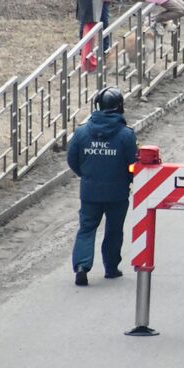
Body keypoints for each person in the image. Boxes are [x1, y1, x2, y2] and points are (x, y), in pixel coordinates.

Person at [67, 86, 137, 286]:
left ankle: (81, 266)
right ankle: (111, 268)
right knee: (114, 230)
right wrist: (127, 179)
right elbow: (133, 164)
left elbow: (72, 160)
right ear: (119, 106)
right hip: (117, 193)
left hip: (90, 191)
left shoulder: (81, 132)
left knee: (86, 229)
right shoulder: (126, 135)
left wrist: (87, 175)